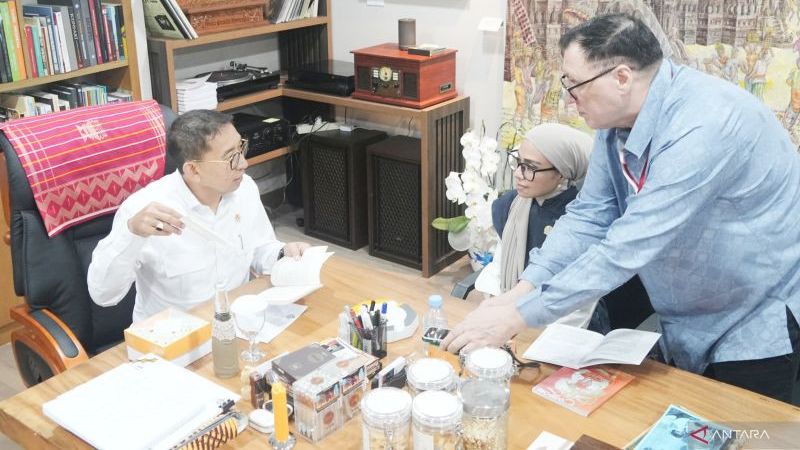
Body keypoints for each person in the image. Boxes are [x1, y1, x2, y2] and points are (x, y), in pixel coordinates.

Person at [443, 13, 800, 404]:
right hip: (686, 316)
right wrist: (521, 290)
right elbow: (589, 215)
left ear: (622, 77)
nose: (569, 98)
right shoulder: (615, 124)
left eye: (575, 85)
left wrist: (518, 316)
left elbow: (627, 247)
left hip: (754, 321)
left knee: (748, 429)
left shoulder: (706, 124)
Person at [88, 110, 309, 322]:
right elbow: (103, 295)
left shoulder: (244, 188)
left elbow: (259, 249)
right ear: (193, 170)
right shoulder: (145, 210)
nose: (243, 163)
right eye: (231, 157)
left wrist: (283, 253)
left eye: (241, 148)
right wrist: (131, 234)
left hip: (235, 323)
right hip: (175, 336)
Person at [477, 123, 605, 330]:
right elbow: (500, 267)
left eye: (531, 167)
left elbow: (580, 305)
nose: (519, 174)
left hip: (568, 328)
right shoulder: (510, 205)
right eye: (518, 162)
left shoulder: (583, 220)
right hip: (512, 319)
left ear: (562, 172)